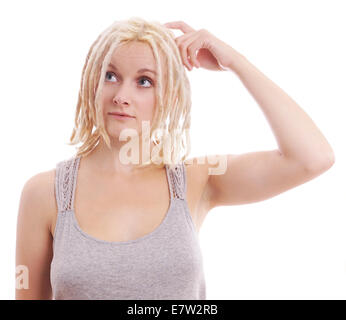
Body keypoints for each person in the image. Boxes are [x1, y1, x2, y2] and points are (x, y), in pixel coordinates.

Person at [15, 17, 335, 300]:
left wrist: (234, 61)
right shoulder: (46, 193)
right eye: (110, 75)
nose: (121, 95)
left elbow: (312, 157)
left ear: (168, 95)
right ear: (91, 84)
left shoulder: (196, 180)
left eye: (144, 81)